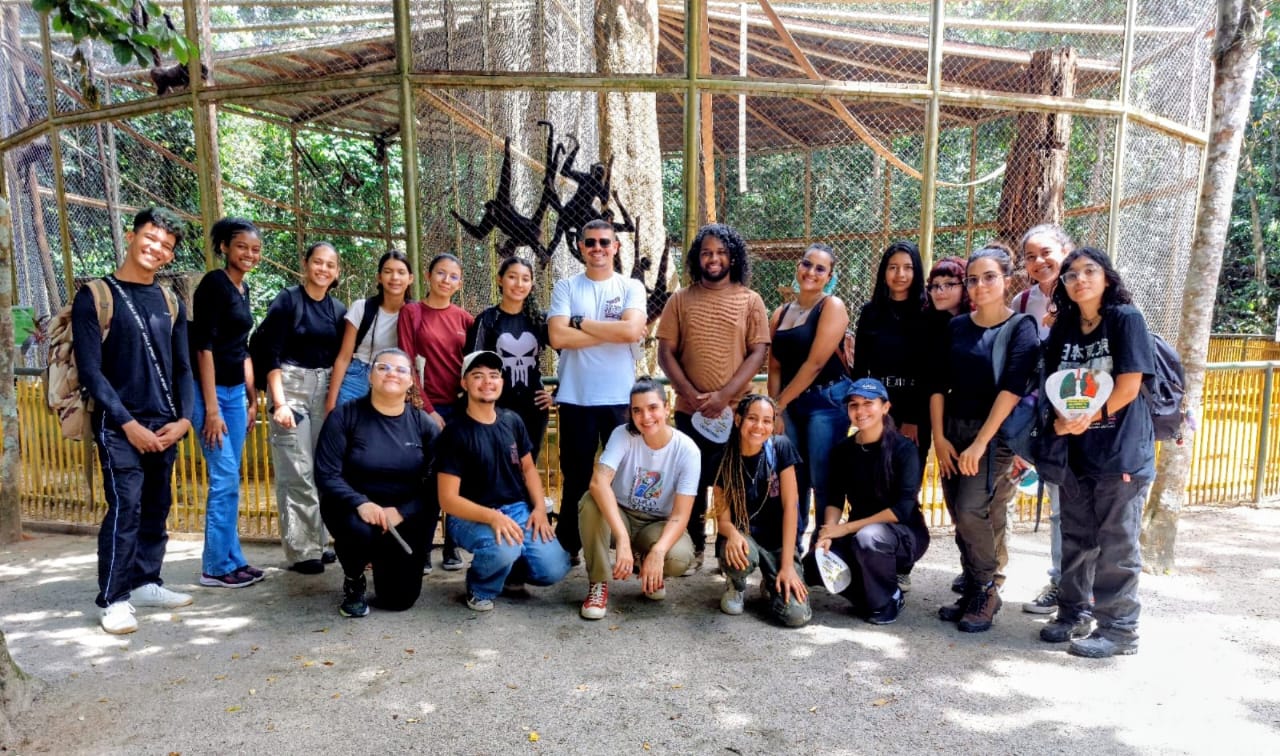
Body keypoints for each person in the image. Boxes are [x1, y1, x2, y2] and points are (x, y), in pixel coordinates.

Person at [72, 207, 195, 634]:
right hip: (119, 423)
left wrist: (185, 420)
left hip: (165, 423)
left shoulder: (170, 300)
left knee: (157, 505)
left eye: (166, 245)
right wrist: (127, 424)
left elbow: (184, 368)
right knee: (126, 506)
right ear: (131, 235)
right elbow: (91, 371)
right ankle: (115, 598)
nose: (156, 248)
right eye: (151, 237)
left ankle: (146, 580)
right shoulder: (95, 295)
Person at [1038, 248, 1155, 658]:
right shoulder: (1066, 323)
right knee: (1076, 538)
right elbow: (1053, 383)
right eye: (1070, 275)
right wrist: (1061, 421)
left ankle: (1120, 630)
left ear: (1107, 277)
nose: (1080, 280)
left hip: (1120, 451)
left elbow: (1129, 385)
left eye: (1090, 271)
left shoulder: (1125, 319)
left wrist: (1090, 416)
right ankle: (1073, 613)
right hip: (1075, 450)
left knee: (1116, 543)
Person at [930, 243, 1039, 633]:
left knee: (973, 508)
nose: (979, 286)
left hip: (990, 436)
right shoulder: (957, 327)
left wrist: (979, 444)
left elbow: (1011, 390)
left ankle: (987, 590)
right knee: (960, 512)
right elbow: (938, 384)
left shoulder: (1020, 327)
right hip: (953, 430)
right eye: (972, 279)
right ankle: (973, 589)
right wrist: (940, 438)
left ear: (1007, 280)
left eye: (989, 277)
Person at [657, 223, 769, 573]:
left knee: (728, 483)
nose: (714, 258)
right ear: (697, 258)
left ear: (733, 256)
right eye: (707, 252)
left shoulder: (750, 300)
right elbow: (665, 352)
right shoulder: (680, 299)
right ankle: (692, 550)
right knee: (689, 480)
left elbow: (758, 353)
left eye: (721, 252)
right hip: (690, 411)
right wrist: (689, 393)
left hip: (733, 412)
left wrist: (724, 395)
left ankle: (727, 551)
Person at [436, 351, 571, 612]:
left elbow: (529, 469)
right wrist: (493, 517)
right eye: (478, 376)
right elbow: (448, 499)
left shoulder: (512, 420)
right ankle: (479, 586)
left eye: (494, 376)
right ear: (464, 383)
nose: (487, 382)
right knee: (503, 546)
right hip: (470, 516)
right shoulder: (455, 432)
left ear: (501, 382)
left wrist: (540, 509)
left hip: (517, 509)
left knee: (555, 567)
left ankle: (509, 571)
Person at [548, 219, 647, 561]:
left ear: (616, 247)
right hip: (576, 397)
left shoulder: (631, 286)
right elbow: (557, 337)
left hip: (620, 399)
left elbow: (633, 331)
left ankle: (628, 545)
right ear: (580, 247)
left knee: (626, 476)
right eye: (590, 242)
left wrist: (579, 323)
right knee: (575, 475)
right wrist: (613, 330)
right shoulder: (566, 287)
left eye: (605, 242)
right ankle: (569, 546)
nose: (598, 248)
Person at [316, 348, 440, 617]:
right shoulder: (344, 416)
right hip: (353, 511)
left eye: (400, 369)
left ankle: (387, 560)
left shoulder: (424, 424)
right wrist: (360, 503)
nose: (391, 373)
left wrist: (402, 512)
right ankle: (353, 578)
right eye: (383, 367)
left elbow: (436, 484)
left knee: (399, 600)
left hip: (401, 516)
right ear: (370, 376)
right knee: (359, 531)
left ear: (411, 382)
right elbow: (326, 474)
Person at [803, 379, 930, 625]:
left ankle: (886, 597)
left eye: (868, 403)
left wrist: (846, 528)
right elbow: (835, 497)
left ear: (885, 407)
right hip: (861, 534)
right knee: (814, 563)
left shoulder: (904, 449)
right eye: (854, 405)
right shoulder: (843, 450)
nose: (860, 411)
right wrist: (828, 532)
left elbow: (902, 509)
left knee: (869, 539)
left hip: (902, 535)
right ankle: (871, 592)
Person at [258, 241, 346, 574]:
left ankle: (321, 541)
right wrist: (278, 403)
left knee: (322, 468)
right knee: (296, 468)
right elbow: (271, 353)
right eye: (318, 262)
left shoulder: (337, 309)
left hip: (323, 388)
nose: (323, 269)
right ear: (306, 263)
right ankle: (302, 549)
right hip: (290, 385)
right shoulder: (288, 300)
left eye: (330, 265)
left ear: (337, 272)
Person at [578, 378, 699, 620]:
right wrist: (622, 537)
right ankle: (598, 583)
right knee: (590, 502)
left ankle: (647, 565)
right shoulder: (622, 435)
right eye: (637, 410)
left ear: (667, 408)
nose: (646, 417)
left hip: (657, 523)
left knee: (679, 557)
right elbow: (598, 482)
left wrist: (658, 552)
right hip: (621, 514)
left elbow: (680, 515)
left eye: (653, 408)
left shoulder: (687, 450)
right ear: (630, 414)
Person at [190, 217, 264, 589]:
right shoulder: (213, 285)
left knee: (231, 478)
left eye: (254, 249)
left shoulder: (242, 288)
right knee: (223, 479)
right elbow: (203, 348)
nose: (249, 254)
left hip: (237, 394)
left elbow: (241, 347)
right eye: (241, 247)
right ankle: (214, 567)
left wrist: (252, 399)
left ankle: (233, 559)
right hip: (213, 395)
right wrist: (212, 410)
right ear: (224, 248)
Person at [768, 243, 852, 552]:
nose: (811, 272)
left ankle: (825, 548)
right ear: (797, 267)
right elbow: (774, 365)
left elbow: (815, 364)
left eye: (820, 268)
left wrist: (779, 405)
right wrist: (774, 410)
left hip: (825, 401)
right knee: (793, 475)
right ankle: (792, 550)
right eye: (807, 264)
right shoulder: (781, 312)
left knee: (822, 476)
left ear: (830, 275)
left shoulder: (831, 306)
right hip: (789, 404)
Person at [398, 253, 474, 571]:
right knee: (425, 479)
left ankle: (452, 547)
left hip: (458, 410)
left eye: (453, 276)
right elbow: (405, 361)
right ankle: (423, 547)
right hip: (423, 410)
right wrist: (427, 409)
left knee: (455, 478)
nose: (446, 280)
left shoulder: (465, 319)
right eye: (440, 273)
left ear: (459, 283)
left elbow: (474, 366)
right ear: (428, 276)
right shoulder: (411, 313)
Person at [1015, 224, 1073, 616]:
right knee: (1058, 504)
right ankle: (1062, 582)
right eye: (1031, 256)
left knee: (1085, 506)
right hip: (1045, 414)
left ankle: (1087, 591)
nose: (1039, 262)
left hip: (1084, 412)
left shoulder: (1087, 291)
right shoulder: (1023, 302)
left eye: (1047, 252)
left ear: (1066, 250)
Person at [712, 395, 810, 627]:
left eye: (767, 420)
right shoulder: (722, 458)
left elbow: (791, 508)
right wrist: (733, 535)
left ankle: (772, 581)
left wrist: (787, 565)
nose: (759, 426)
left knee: (796, 616)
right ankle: (736, 584)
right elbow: (723, 521)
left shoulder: (781, 448)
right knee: (740, 553)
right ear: (738, 420)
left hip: (777, 543)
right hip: (743, 538)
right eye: (752, 418)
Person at [851, 240, 930, 473]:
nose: (900, 274)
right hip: (878, 404)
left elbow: (928, 370)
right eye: (893, 267)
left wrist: (913, 419)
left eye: (908, 267)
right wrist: (862, 410)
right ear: (884, 271)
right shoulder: (870, 312)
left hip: (915, 406)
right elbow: (860, 366)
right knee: (875, 476)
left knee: (906, 479)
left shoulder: (927, 312)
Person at [464, 256, 554, 460]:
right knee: (499, 463)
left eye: (525, 278)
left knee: (528, 465)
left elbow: (571, 355)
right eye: (512, 277)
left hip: (534, 407)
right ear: (500, 280)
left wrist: (558, 394)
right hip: (496, 407)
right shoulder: (487, 319)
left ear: (532, 284)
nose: (519, 284)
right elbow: (472, 362)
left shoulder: (539, 320)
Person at [326, 250, 413, 412]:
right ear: (379, 277)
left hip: (394, 378)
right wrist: (330, 403)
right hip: (359, 375)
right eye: (388, 272)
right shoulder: (362, 307)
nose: (394, 278)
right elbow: (344, 358)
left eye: (401, 272)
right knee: (347, 431)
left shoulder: (415, 313)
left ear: (410, 278)